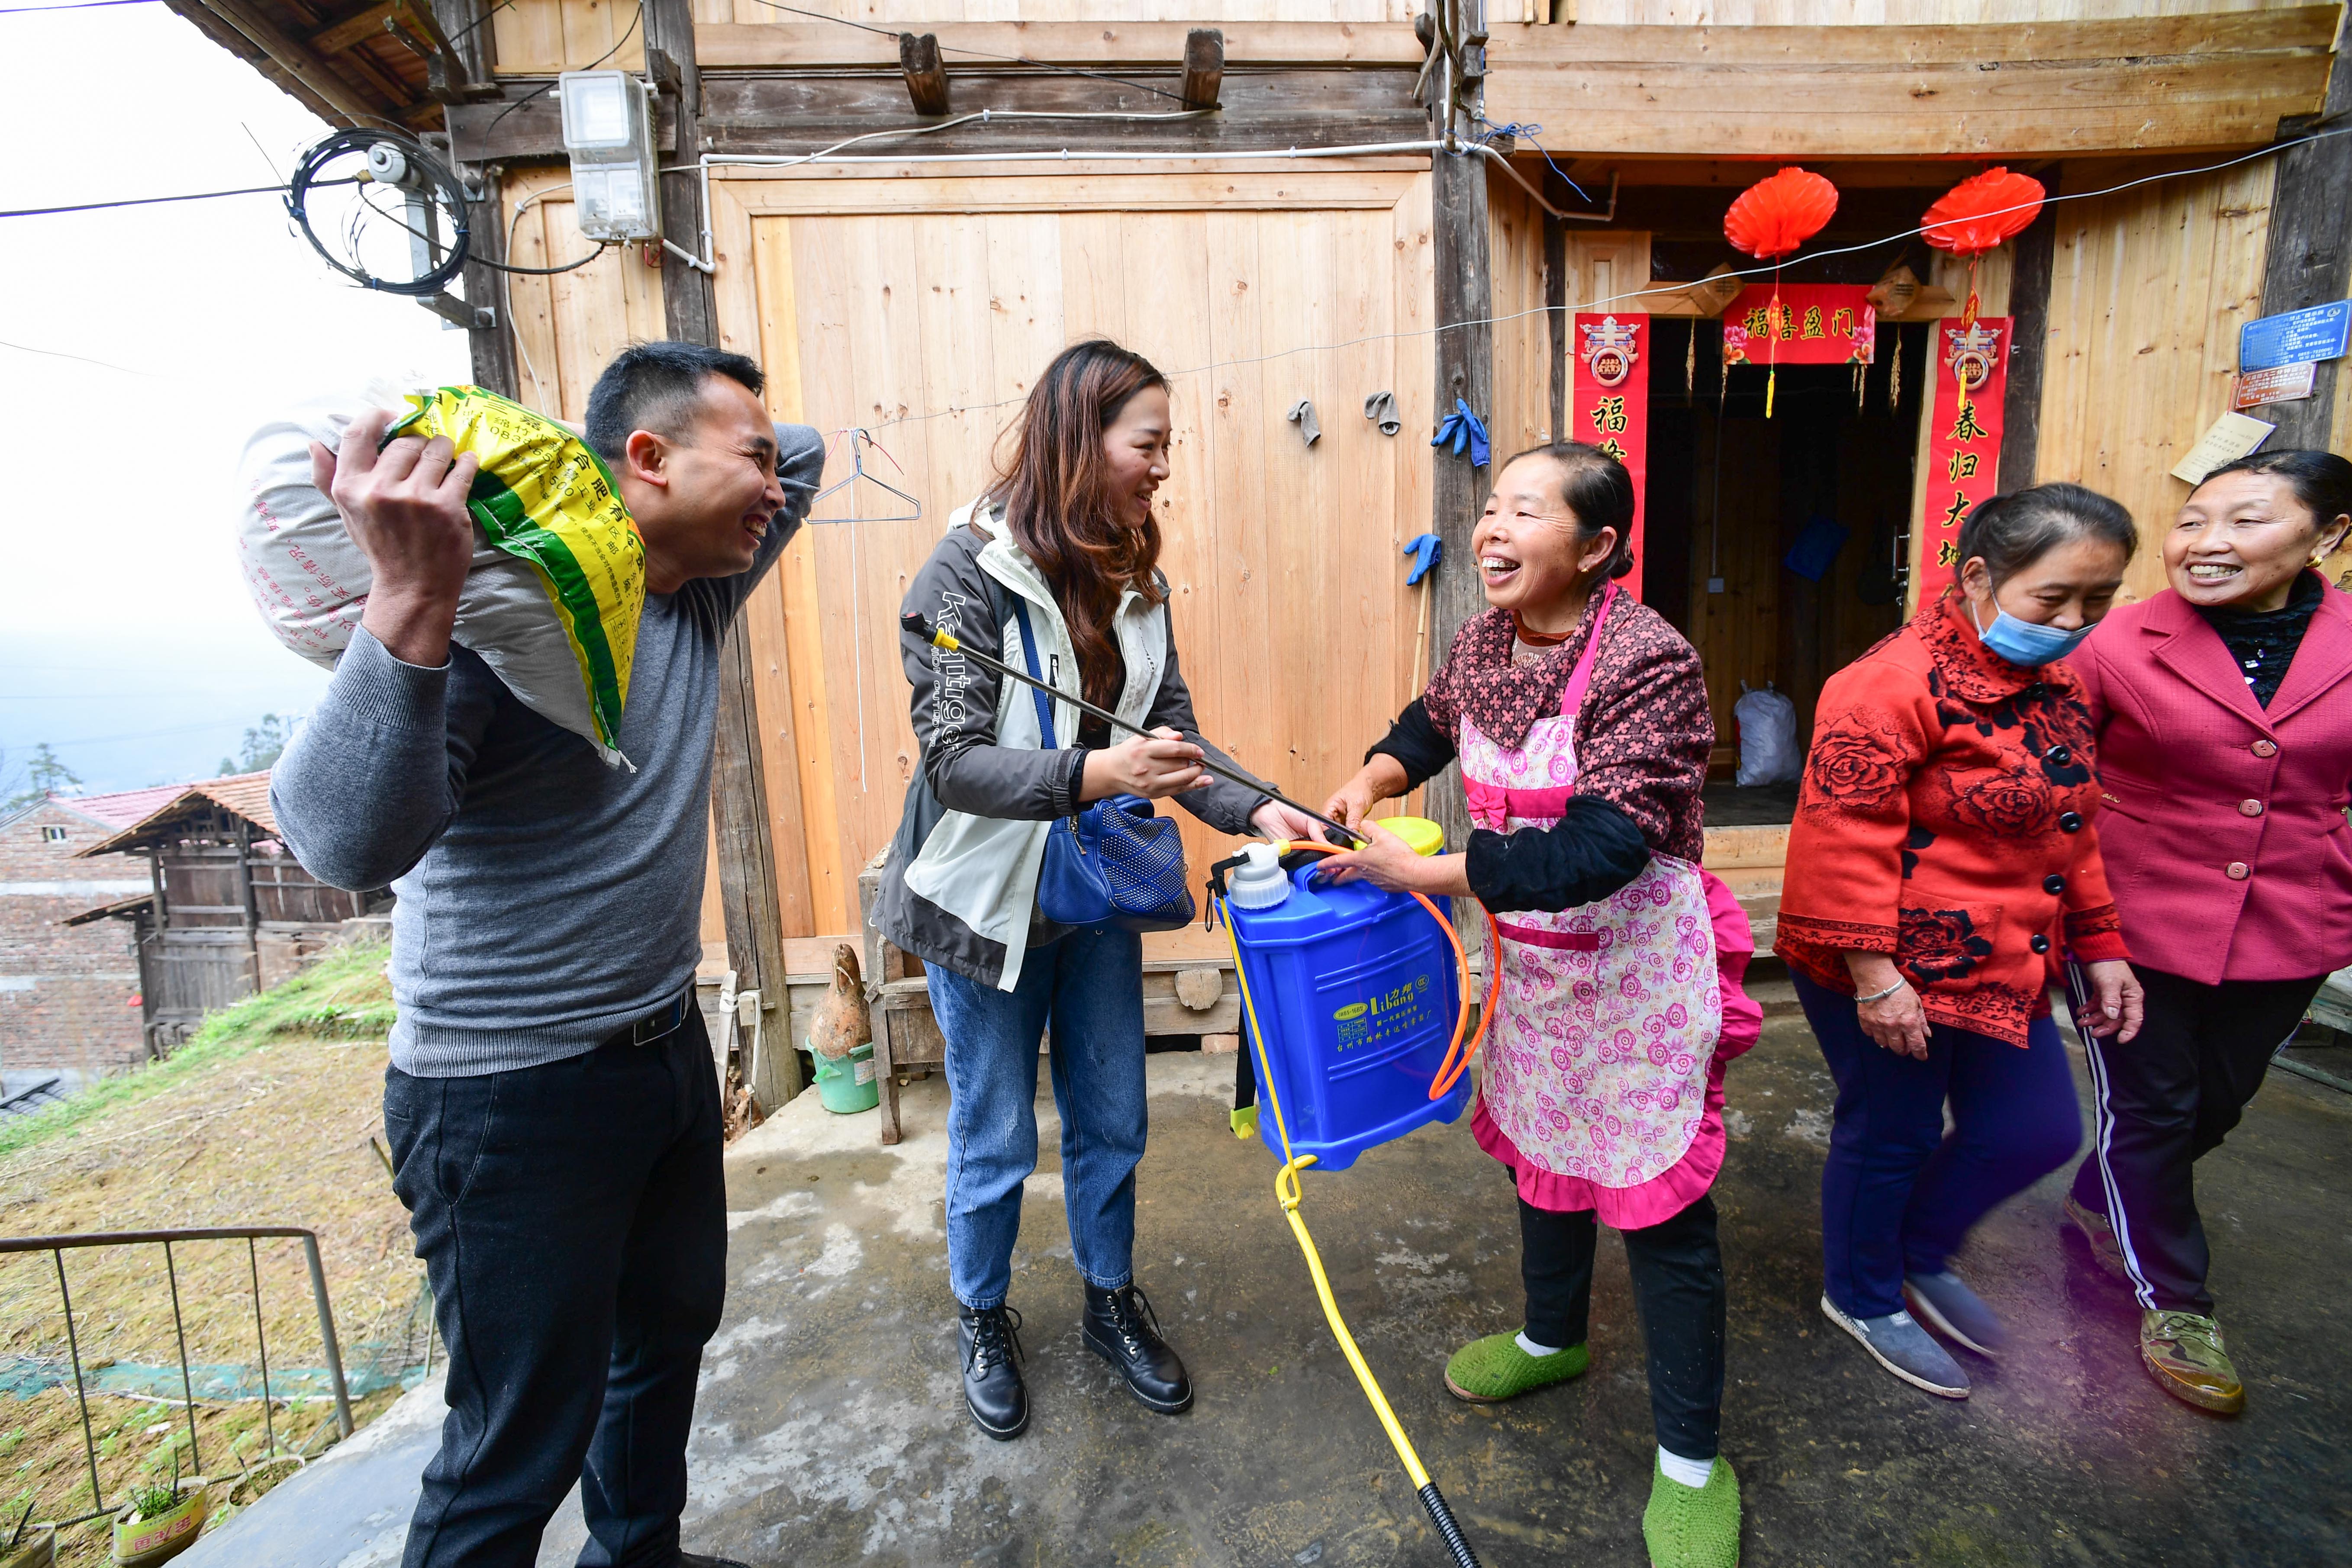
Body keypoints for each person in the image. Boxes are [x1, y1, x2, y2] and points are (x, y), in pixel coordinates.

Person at [273, 344, 825, 1568]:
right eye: (747, 457)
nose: (777, 486)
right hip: (505, 1097)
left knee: (665, 1339)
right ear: (646, 459)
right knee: (515, 1443)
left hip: (661, 1048)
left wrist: (675, 461)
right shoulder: (502, 625)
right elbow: (341, 842)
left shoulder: (694, 591)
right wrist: (414, 596)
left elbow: (807, 453)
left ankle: (638, 1559)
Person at [1317, 441, 1757, 1568]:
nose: (1492, 530)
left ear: (1597, 547)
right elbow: (1431, 723)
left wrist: (1429, 874)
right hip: (1537, 971)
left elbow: (1608, 846)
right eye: (1488, 507)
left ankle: (1692, 1466)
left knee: (1657, 1207)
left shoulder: (1647, 663)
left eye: (1525, 511)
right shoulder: (1484, 642)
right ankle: (1551, 1335)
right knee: (1544, 1161)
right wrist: (1373, 776)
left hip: (1635, 968)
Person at [876, 338, 1321, 1442]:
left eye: (1166, 444)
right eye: (1149, 442)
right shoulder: (963, 577)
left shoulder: (1134, 576)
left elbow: (1170, 736)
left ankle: (1108, 1300)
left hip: (1092, 899)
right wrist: (1095, 773)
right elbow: (954, 761)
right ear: (1083, 440)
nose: (1163, 465)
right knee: (993, 1137)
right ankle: (983, 1314)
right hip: (982, 910)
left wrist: (1263, 808)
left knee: (1113, 1123)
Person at [1777, 482, 2146, 1403]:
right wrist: (1873, 978)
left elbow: (2074, 825)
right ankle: (1862, 1295)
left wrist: (2098, 943)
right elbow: (1839, 838)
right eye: (2050, 600)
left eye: (2094, 604)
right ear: (1977, 575)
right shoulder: (1887, 684)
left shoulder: (2055, 687)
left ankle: (1914, 1251)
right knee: (1891, 1129)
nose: (2071, 624)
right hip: (1883, 961)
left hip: (2000, 959)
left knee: (2032, 1132)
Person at [2060, 450, 2352, 1414]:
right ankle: (2175, 1304)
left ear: (2327, 537)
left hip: (2294, 920)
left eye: (2245, 521)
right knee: (2147, 1109)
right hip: (2130, 923)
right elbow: (2058, 786)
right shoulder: (2113, 642)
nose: (2206, 543)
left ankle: (2105, 1203)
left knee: (2213, 1107)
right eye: (2192, 522)